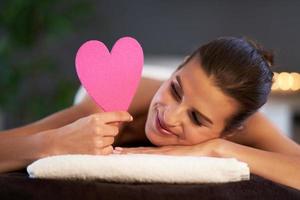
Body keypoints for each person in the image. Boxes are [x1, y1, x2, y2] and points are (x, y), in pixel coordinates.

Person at [0, 37, 299, 190]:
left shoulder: (248, 128)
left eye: (196, 118)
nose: (169, 116)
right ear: (177, 69)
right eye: (176, 89)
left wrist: (218, 149)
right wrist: (52, 144)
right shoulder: (114, 100)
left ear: (233, 130)